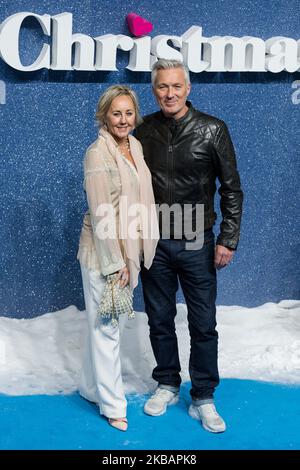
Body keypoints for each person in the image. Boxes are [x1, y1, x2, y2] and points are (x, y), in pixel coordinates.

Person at [135, 59, 243, 433]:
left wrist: (228, 238)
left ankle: (202, 396)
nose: (169, 93)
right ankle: (166, 382)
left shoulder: (213, 130)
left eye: (176, 86)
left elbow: (231, 188)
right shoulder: (142, 130)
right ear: (154, 90)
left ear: (188, 89)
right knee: (160, 318)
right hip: (155, 241)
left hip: (198, 239)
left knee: (203, 322)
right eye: (162, 87)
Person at [77, 85, 158, 432]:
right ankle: (113, 405)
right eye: (116, 113)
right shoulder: (98, 154)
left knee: (106, 325)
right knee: (108, 329)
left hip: (129, 249)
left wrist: (136, 252)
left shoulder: (135, 146)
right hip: (103, 253)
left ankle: (89, 387)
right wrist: (116, 264)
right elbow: (101, 214)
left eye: (128, 113)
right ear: (104, 116)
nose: (123, 120)